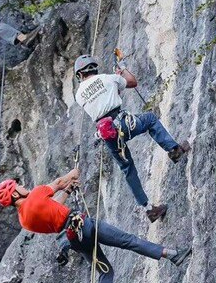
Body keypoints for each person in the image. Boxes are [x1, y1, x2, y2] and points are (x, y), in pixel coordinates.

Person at [0, 169, 191, 283]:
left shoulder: (24, 221)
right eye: (18, 185)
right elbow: (58, 182)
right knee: (128, 241)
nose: (23, 186)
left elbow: (52, 208)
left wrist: (68, 191)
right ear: (14, 194)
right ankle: (173, 255)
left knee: (104, 272)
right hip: (84, 225)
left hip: (74, 239)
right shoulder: (35, 195)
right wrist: (71, 175)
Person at [74, 55, 190, 221]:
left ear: (80, 74)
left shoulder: (79, 95)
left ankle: (149, 209)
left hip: (108, 134)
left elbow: (101, 99)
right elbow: (132, 82)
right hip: (122, 123)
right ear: (94, 68)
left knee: (128, 169)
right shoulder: (108, 78)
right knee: (150, 119)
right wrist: (123, 69)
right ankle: (174, 150)